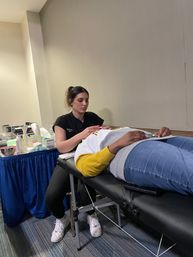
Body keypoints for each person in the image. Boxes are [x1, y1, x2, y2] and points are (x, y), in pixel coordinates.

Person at [46, 86, 104, 243]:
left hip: (86, 159)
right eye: (80, 100)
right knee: (51, 197)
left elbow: (102, 134)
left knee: (83, 190)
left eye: (87, 100)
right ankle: (61, 219)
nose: (84, 103)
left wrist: (106, 131)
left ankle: (91, 215)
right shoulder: (62, 121)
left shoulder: (92, 117)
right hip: (67, 161)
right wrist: (82, 135)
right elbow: (62, 146)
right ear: (71, 102)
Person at [74, 126, 193, 196]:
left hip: (155, 139)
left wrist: (160, 133)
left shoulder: (117, 129)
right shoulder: (84, 144)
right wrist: (116, 144)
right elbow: (87, 169)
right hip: (129, 152)